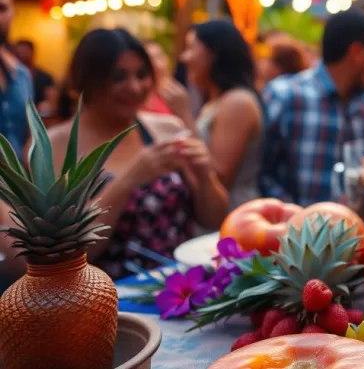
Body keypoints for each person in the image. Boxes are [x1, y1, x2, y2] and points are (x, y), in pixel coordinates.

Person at [0, 28, 228, 280]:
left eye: (142, 75)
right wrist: (128, 181)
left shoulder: (165, 128)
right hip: (104, 298)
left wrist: (205, 176)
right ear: (87, 81)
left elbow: (213, 219)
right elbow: (62, 255)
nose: (134, 87)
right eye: (118, 77)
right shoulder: (53, 146)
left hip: (180, 289)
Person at [261, 11, 364, 206]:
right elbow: (262, 172)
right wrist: (292, 214)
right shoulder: (286, 95)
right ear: (356, 52)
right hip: (295, 230)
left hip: (356, 230)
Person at [178, 20, 264, 209]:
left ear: (213, 54)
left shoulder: (237, 102)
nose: (184, 58)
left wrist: (183, 113)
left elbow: (219, 176)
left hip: (233, 220)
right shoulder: (218, 100)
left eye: (191, 48)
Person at [0, 0, 32, 157]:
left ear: (12, 13)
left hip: (16, 182)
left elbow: (29, 136)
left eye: (2, 8)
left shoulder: (22, 75)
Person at [11, 40, 56, 116]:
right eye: (18, 53)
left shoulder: (45, 77)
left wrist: (48, 105)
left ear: (33, 53)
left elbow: (52, 102)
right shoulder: (9, 77)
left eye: (24, 52)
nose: (21, 55)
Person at [139, 40, 175, 115]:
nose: (158, 64)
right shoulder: (139, 96)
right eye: (151, 59)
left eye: (160, 56)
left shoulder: (172, 93)